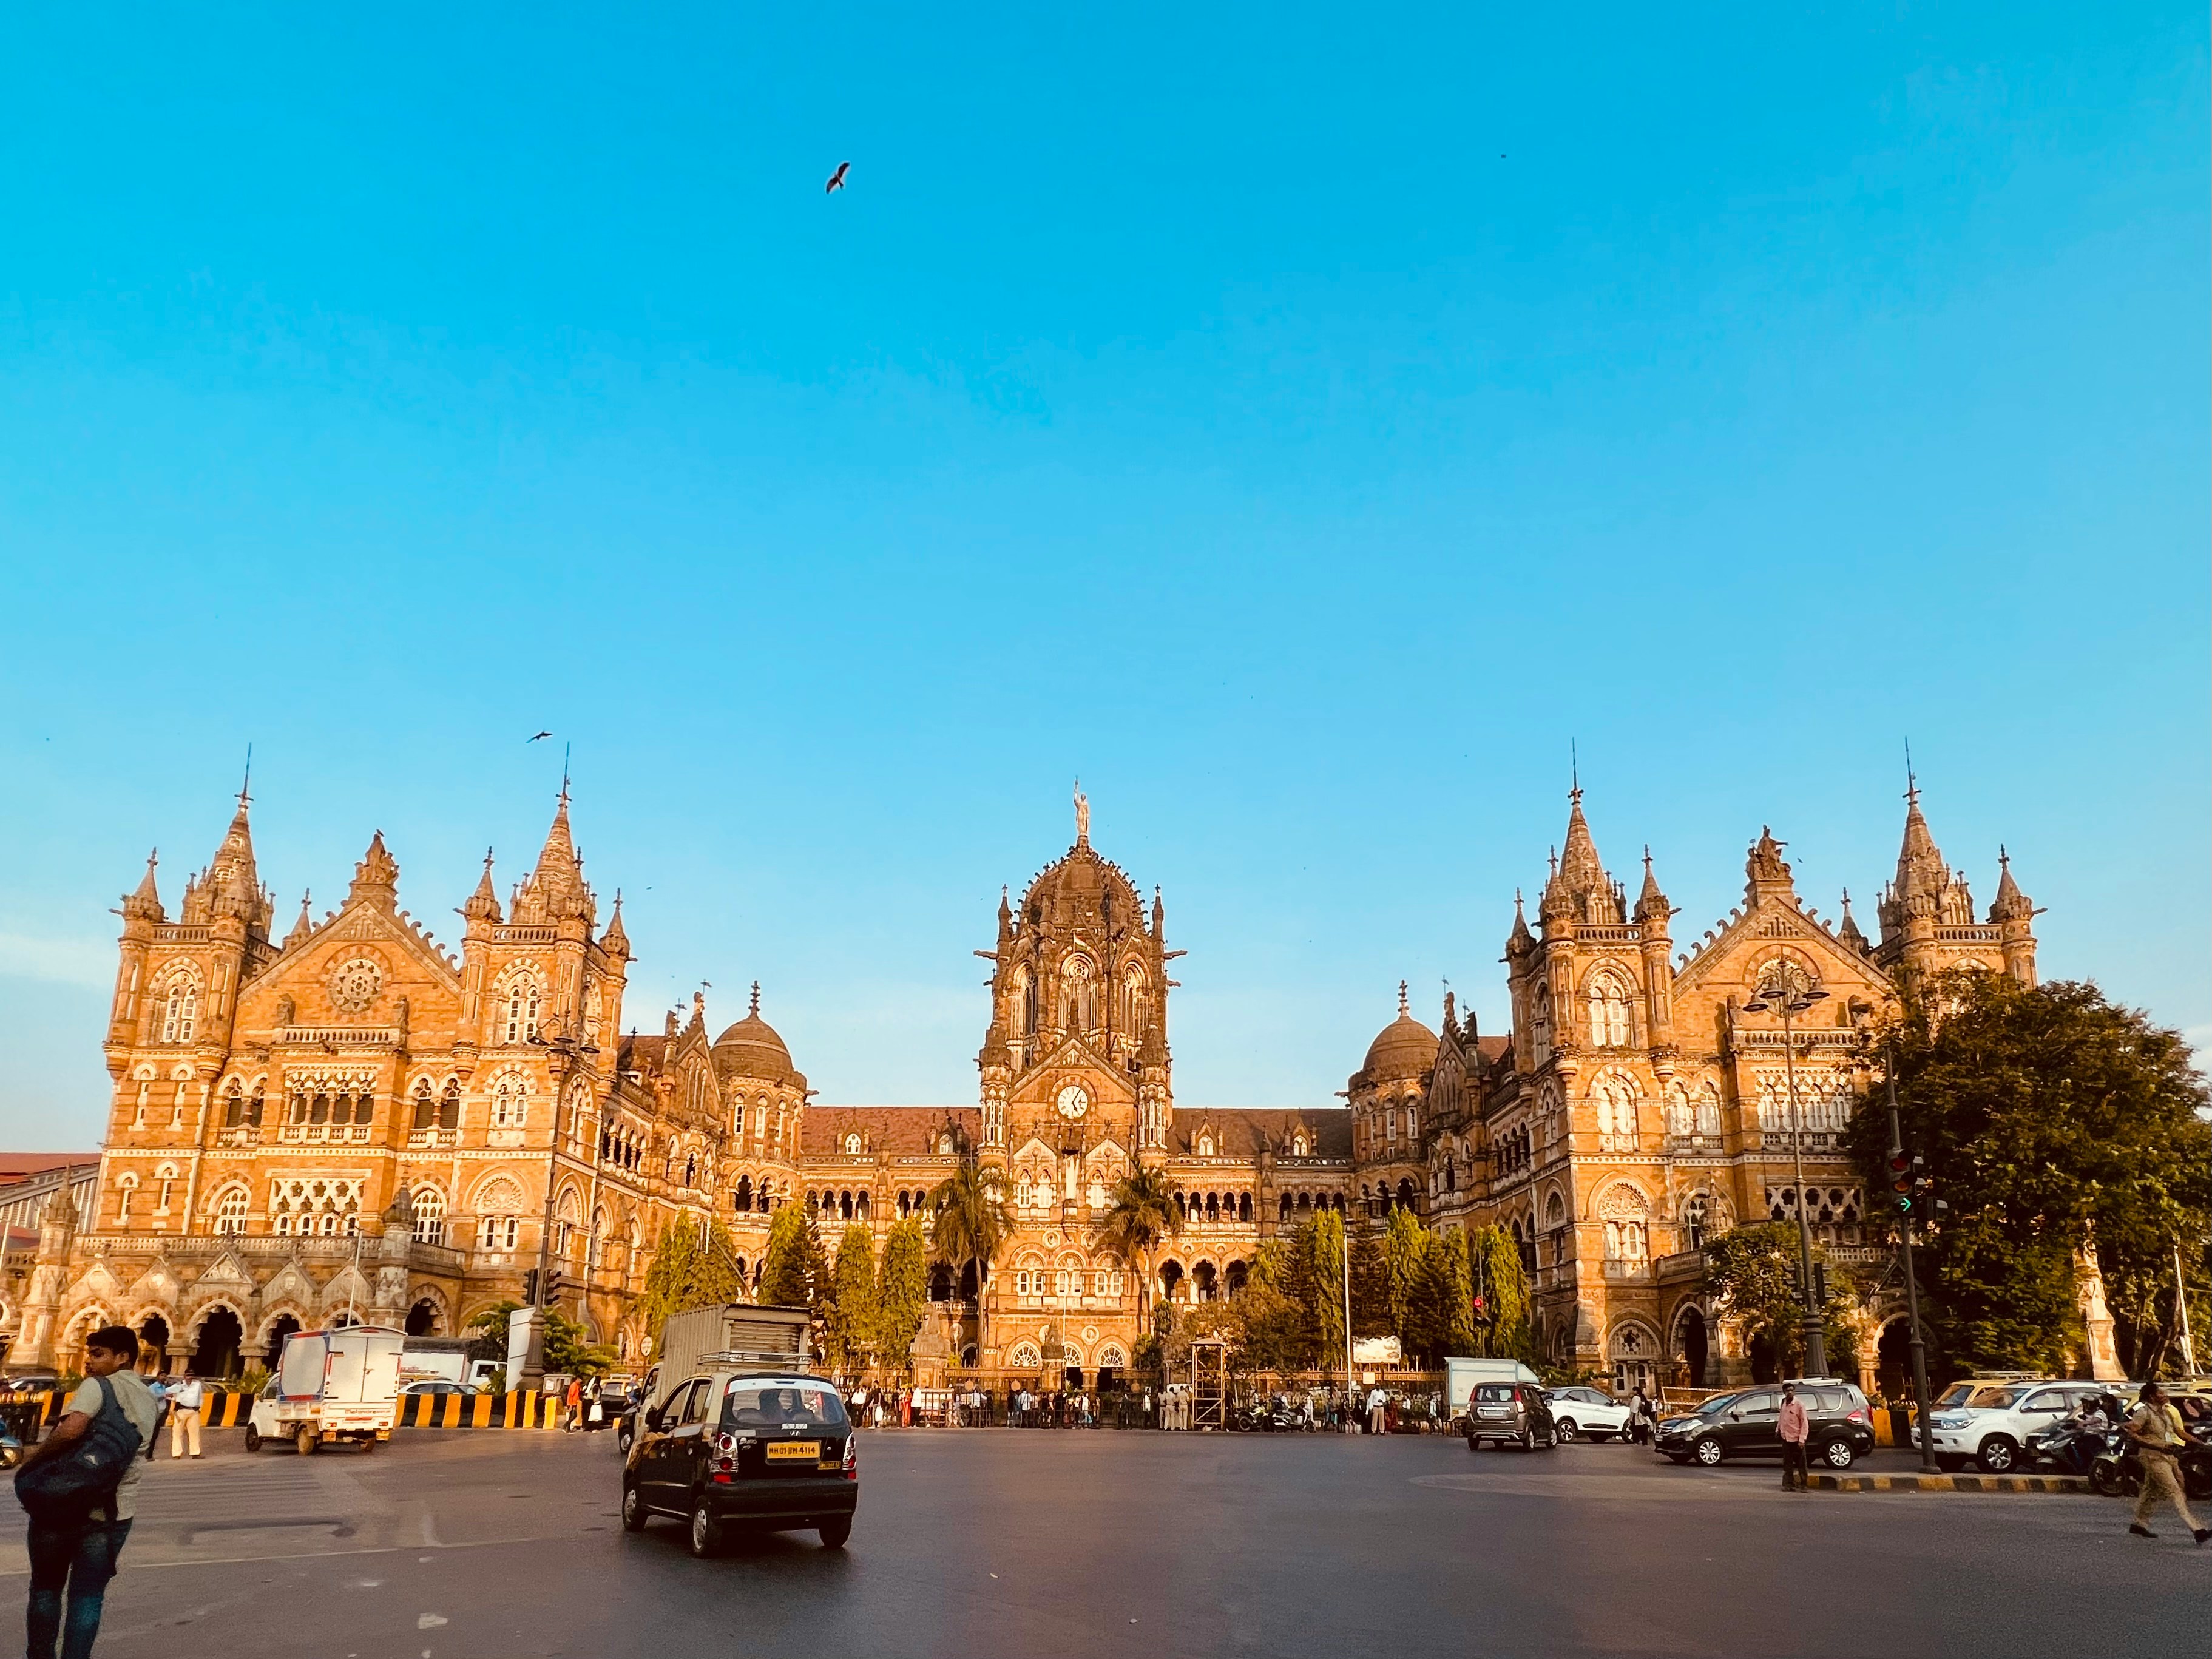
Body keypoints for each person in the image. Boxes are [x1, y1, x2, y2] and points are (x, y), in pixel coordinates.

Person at [17, 1325, 159, 1659]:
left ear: (123, 1357)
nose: (89, 1362)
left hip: (63, 1507)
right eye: (89, 1354)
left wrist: (35, 1460)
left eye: (98, 1354)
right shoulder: (149, 1398)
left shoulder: (98, 1386)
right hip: (114, 1512)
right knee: (88, 1597)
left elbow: (72, 1429)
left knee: (46, 1589)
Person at [2122, 1380, 2209, 1544]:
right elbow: (2132, 1433)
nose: (2165, 1396)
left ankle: (2139, 1524)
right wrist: (2154, 1445)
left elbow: (2179, 1432)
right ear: (2152, 1397)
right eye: (2161, 1393)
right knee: (2174, 1491)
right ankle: (2197, 1529)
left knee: (2151, 1491)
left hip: (2168, 1456)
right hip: (2152, 1457)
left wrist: (2200, 1443)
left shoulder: (2166, 1412)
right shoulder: (2143, 1413)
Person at [1777, 1381, 1811, 1491]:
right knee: (1787, 1463)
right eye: (1788, 1391)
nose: (1790, 1393)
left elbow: (1804, 1423)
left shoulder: (1799, 1405)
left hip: (1797, 1439)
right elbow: (1782, 1418)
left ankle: (1804, 1484)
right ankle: (1789, 1484)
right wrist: (1778, 1430)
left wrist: (1802, 1439)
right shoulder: (1783, 1403)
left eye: (1792, 1390)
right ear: (1784, 1392)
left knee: (1801, 1464)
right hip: (1786, 1438)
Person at [166, 1368, 204, 1459]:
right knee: (177, 1433)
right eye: (188, 1376)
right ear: (184, 1376)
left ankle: (195, 1453)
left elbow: (200, 1397)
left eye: (192, 1376)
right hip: (181, 1411)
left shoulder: (197, 1385)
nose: (190, 1378)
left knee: (195, 1433)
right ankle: (176, 1454)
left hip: (193, 1411)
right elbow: (166, 1393)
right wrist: (174, 1398)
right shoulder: (179, 1385)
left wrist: (200, 1408)